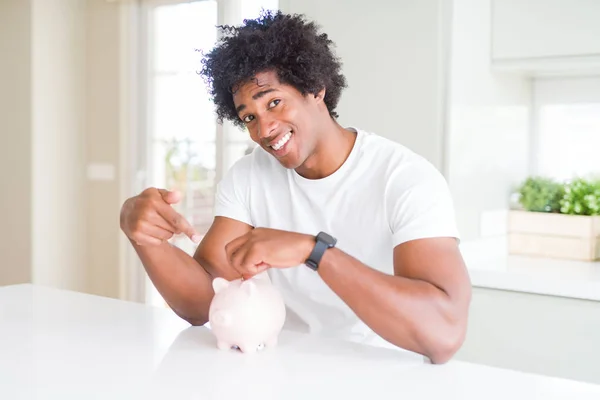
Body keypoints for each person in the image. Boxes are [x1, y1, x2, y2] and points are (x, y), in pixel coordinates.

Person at [120, 10, 471, 364]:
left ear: (315, 88)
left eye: (274, 102)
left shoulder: (404, 179)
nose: (264, 129)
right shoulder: (248, 177)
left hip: (381, 371)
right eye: (249, 117)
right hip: (286, 366)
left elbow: (444, 334)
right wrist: (146, 239)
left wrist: (314, 252)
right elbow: (204, 304)